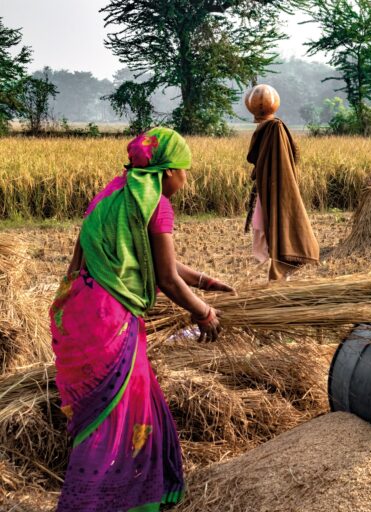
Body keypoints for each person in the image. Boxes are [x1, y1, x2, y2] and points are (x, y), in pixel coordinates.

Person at [49, 127, 234, 512]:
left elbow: (154, 258)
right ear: (167, 172)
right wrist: (204, 313)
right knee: (118, 416)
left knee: (113, 409)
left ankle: (136, 492)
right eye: (184, 170)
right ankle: (107, 502)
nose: (187, 178)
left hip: (80, 310)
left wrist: (203, 280)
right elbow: (165, 278)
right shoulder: (157, 205)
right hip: (111, 317)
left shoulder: (117, 193)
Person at [244, 85, 319, 281]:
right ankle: (279, 278)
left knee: (277, 228)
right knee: (269, 232)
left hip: (275, 189)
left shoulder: (274, 130)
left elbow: (279, 168)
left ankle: (280, 275)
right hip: (267, 189)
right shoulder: (270, 130)